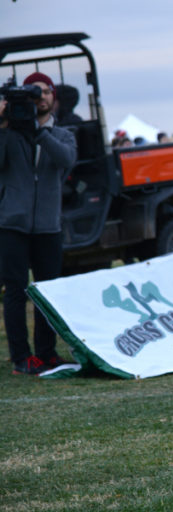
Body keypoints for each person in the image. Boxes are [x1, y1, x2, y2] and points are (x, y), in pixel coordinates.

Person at [0, 71, 77, 375]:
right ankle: (22, 358)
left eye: (44, 92)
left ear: (52, 98)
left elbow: (66, 159)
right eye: (35, 93)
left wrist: (37, 131)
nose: (40, 98)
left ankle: (47, 354)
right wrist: (4, 126)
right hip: (11, 223)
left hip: (48, 225)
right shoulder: (8, 133)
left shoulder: (63, 134)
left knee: (47, 291)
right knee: (16, 291)